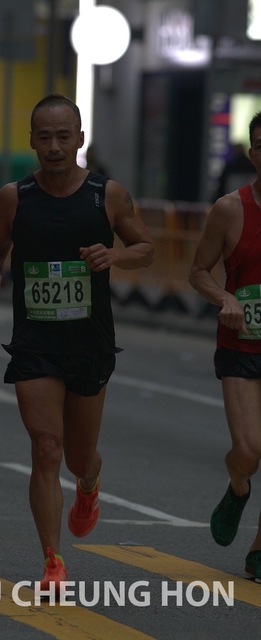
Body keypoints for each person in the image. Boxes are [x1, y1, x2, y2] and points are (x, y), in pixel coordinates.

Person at [0, 94, 153, 590]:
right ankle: (52, 562)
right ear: (32, 140)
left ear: (79, 139)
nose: (54, 146)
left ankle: (89, 482)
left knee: (77, 457)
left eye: (63, 136)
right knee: (46, 447)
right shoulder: (14, 197)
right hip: (35, 339)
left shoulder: (107, 194)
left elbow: (145, 248)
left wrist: (115, 256)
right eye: (44, 137)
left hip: (89, 341)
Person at [189, 111, 261, 582]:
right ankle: (238, 488)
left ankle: (259, 549)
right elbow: (198, 272)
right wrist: (225, 297)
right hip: (241, 345)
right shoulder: (230, 209)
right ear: (253, 153)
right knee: (249, 450)